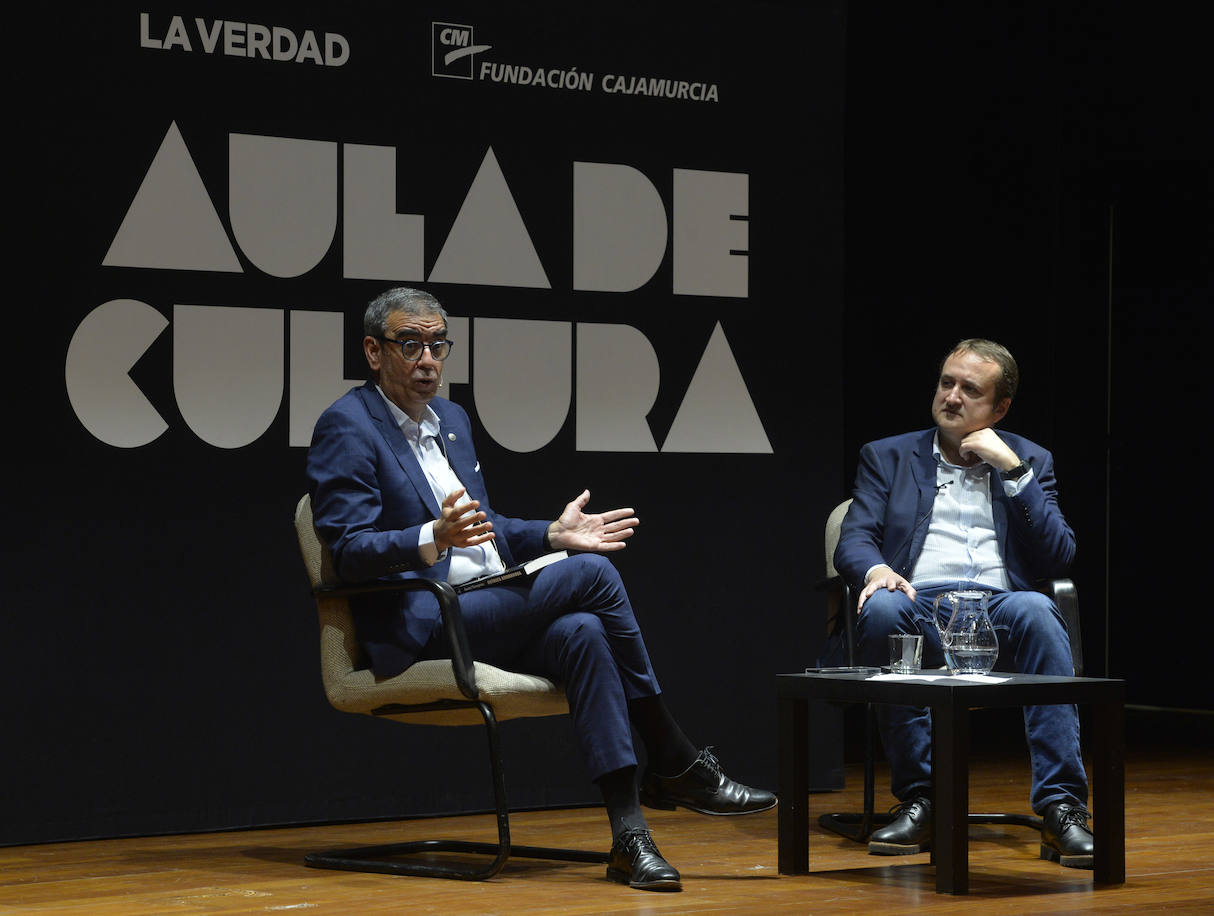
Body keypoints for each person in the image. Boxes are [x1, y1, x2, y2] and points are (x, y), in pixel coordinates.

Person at [306, 286, 775, 892]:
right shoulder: (346, 426)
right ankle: (672, 755)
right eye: (411, 345)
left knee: (583, 634)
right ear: (374, 352)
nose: (428, 360)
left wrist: (550, 532)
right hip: (426, 621)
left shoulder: (451, 421)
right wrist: (431, 536)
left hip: (491, 602)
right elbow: (345, 550)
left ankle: (631, 836)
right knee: (594, 573)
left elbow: (487, 530)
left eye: (438, 345)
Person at [834, 338, 1093, 868]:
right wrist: (878, 569)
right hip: (917, 602)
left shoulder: (1030, 459)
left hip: (1000, 608)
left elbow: (1059, 555)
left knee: (1042, 610)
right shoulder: (887, 455)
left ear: (999, 409)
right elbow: (854, 539)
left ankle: (1062, 807)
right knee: (883, 608)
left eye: (969, 389)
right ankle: (922, 798)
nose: (951, 397)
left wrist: (1013, 471)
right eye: (946, 382)